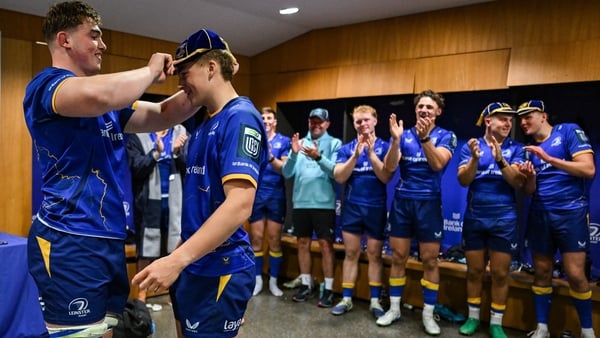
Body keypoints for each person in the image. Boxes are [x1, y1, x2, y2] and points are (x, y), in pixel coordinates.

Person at [24, 1, 199, 337]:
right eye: (94, 36)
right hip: (69, 239)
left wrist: (202, 80)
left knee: (105, 329)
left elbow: (163, 114)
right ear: (65, 40)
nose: (103, 45)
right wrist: (149, 71)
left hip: (109, 239)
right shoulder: (46, 86)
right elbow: (97, 96)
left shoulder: (109, 104)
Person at [132, 28, 268, 338]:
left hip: (220, 266)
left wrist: (176, 260)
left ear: (211, 68)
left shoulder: (240, 118)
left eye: (185, 72)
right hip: (194, 263)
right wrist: (177, 257)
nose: (180, 82)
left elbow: (239, 205)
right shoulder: (207, 120)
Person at [516, 100, 596, 338]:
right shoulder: (528, 149)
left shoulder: (568, 131)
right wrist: (529, 177)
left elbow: (588, 169)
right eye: (520, 119)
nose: (523, 122)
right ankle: (542, 328)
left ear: (543, 116)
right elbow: (529, 191)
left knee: (575, 274)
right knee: (541, 272)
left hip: (570, 212)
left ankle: (587, 330)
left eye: (528, 116)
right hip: (540, 213)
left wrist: (549, 159)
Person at [380, 89, 457, 335]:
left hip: (429, 203)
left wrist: (425, 140)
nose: (424, 110)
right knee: (398, 257)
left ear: (438, 112)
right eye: (420, 106)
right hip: (403, 203)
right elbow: (389, 168)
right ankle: (394, 309)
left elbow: (438, 164)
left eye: (429, 107)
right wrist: (394, 140)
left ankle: (428, 314)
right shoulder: (403, 135)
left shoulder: (447, 135)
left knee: (430, 260)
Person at [456, 102, 526, 338]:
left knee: (499, 273)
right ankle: (473, 318)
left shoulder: (516, 148)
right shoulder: (471, 146)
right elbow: (463, 181)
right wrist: (475, 159)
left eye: (510, 120)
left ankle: (496, 323)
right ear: (488, 121)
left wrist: (500, 159)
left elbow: (518, 182)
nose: (508, 123)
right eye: (503, 119)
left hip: (504, 218)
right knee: (474, 272)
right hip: (476, 217)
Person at [330, 105, 392, 319]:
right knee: (350, 253)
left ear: (375, 121)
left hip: (375, 208)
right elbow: (339, 177)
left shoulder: (385, 146)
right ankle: (346, 298)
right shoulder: (347, 148)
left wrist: (371, 153)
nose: (363, 124)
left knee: (375, 255)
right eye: (358, 121)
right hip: (353, 208)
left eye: (366, 120)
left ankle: (375, 301)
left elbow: (385, 176)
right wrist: (355, 156)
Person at [281, 108, 342, 307]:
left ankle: (330, 288)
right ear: (308, 122)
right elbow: (287, 173)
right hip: (301, 203)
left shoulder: (334, 143)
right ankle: (306, 284)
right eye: (313, 121)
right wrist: (293, 154)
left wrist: (317, 157)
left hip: (323, 204)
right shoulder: (300, 143)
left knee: (326, 245)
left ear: (327, 124)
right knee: (302, 244)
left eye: (320, 122)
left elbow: (335, 173)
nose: (316, 125)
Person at [126, 125, 188, 304]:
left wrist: (177, 152)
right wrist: (156, 153)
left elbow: (191, 166)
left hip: (175, 202)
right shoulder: (139, 136)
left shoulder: (181, 133)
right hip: (148, 202)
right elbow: (136, 168)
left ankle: (174, 293)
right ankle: (141, 296)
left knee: (175, 247)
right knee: (146, 249)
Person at [249, 107, 291, 297]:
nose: (265, 121)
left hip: (276, 195)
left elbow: (284, 169)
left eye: (269, 118)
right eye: (262, 118)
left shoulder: (284, 141)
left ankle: (273, 282)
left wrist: (271, 157)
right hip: (256, 194)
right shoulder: (253, 138)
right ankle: (257, 280)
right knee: (256, 239)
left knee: (274, 240)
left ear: (275, 122)